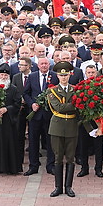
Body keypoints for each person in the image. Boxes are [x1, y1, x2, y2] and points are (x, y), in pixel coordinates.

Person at [23, 57, 58, 176]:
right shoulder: (32, 76)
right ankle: (33, 166)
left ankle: (51, 165)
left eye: (46, 64)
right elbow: (26, 93)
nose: (44, 66)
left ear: (49, 65)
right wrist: (31, 103)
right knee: (33, 141)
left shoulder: (54, 76)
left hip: (49, 115)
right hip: (35, 114)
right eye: (41, 64)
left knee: (50, 141)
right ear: (37, 65)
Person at [47, 61, 78, 197]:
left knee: (70, 158)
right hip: (57, 126)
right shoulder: (52, 91)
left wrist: (71, 105)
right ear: (57, 76)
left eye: (66, 75)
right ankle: (58, 187)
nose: (64, 77)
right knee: (58, 158)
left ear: (70, 75)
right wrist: (73, 105)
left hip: (72, 125)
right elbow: (58, 107)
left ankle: (68, 187)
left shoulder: (76, 89)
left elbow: (78, 107)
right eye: (61, 75)